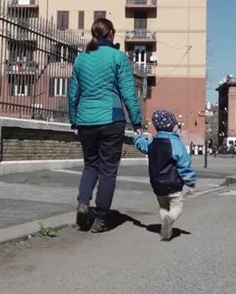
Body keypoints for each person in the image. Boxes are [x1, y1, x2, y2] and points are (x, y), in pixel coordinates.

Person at [68, 18, 143, 233]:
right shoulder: (118, 57)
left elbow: (73, 93)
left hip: (85, 120)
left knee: (90, 165)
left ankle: (83, 203)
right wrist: (137, 123)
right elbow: (129, 93)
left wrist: (74, 120)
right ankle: (101, 219)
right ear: (111, 34)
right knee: (108, 171)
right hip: (111, 119)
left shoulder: (81, 59)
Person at [133, 109, 197, 241]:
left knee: (163, 206)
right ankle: (170, 218)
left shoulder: (152, 143)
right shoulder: (175, 144)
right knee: (177, 206)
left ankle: (165, 221)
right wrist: (190, 182)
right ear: (173, 127)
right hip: (173, 184)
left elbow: (141, 145)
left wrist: (137, 137)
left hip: (157, 185)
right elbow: (184, 163)